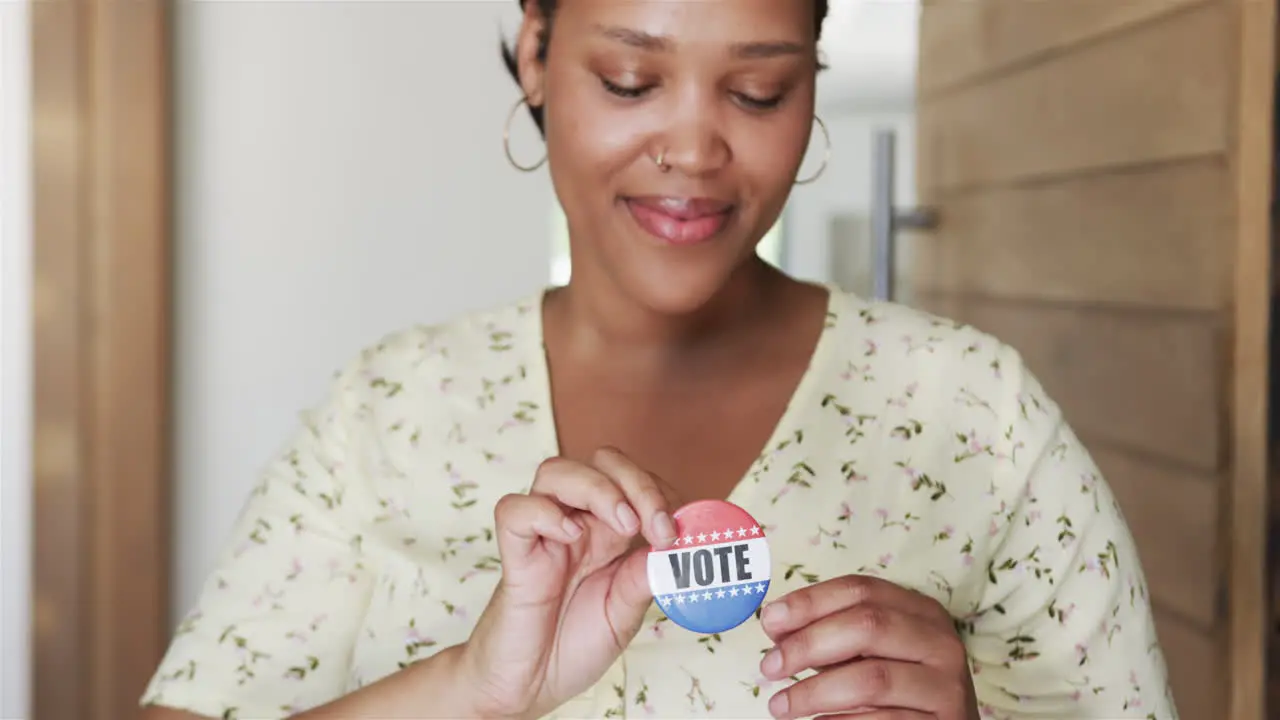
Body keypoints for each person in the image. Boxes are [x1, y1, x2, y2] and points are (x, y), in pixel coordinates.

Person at [139, 0, 1176, 718]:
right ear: (536, 47)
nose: (691, 149)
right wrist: (470, 691)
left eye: (758, 93)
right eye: (631, 79)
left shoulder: (974, 413)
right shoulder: (388, 409)